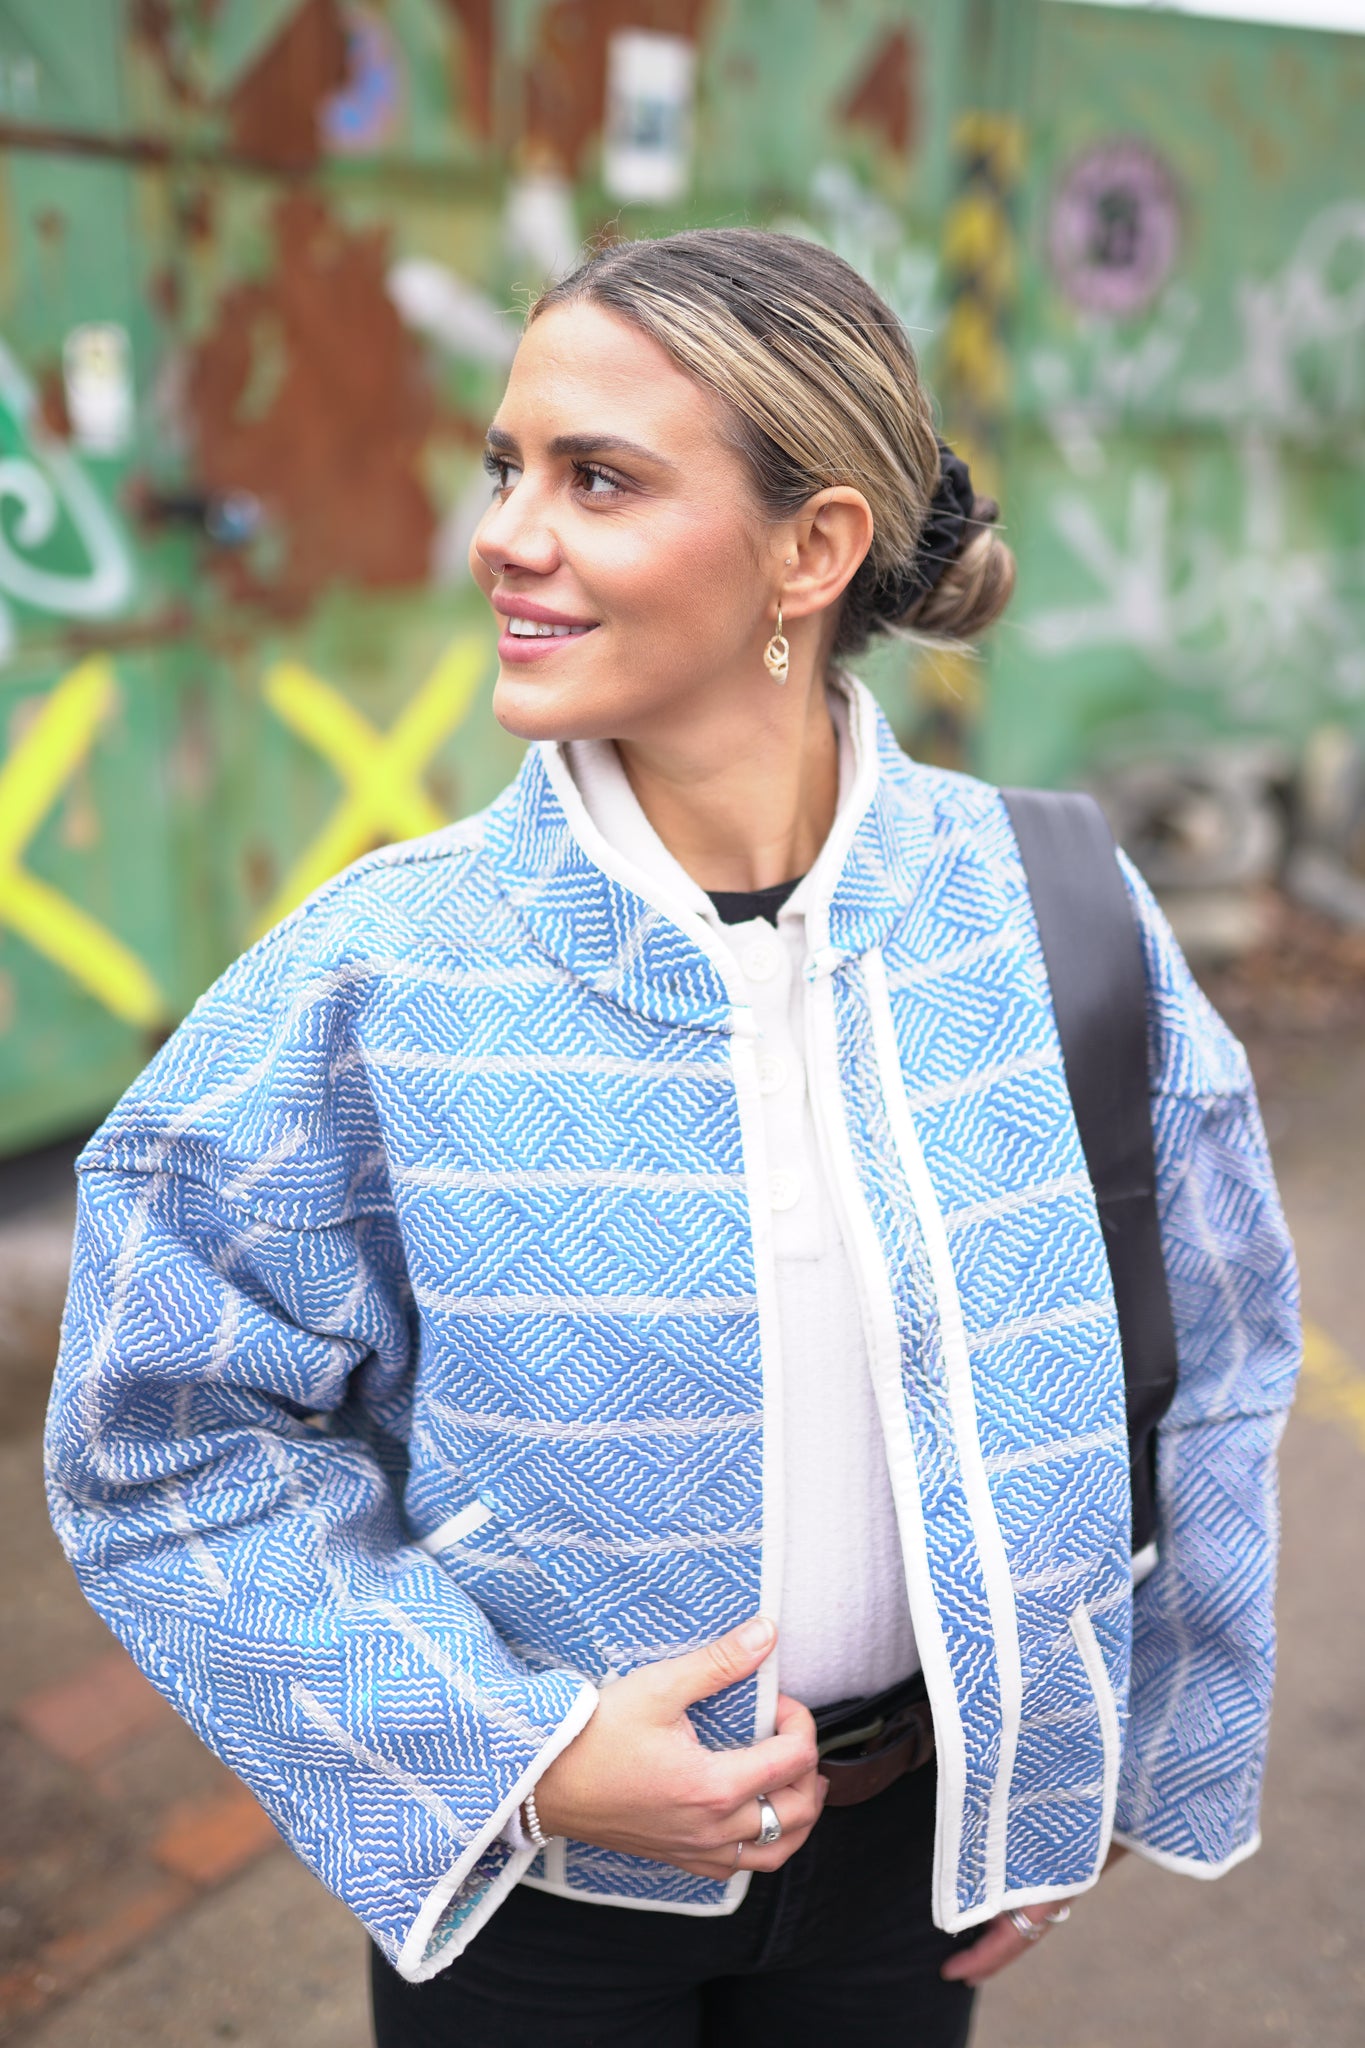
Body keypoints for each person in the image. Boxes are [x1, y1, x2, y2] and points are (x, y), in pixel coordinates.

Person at [46, 229, 1301, 2048]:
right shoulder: (374, 977)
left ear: (812, 547)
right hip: (536, 1895)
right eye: (505, 466)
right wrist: (518, 1755)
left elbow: (1213, 1364)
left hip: (916, 1866)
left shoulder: (1055, 915)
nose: (503, 533)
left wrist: (1101, 1753)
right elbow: (164, 1442)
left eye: (598, 479)